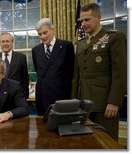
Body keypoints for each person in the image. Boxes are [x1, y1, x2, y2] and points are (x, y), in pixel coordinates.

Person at [71, 3, 127, 141]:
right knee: (85, 142)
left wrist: (114, 102)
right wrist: (74, 102)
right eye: (81, 20)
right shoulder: (81, 43)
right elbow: (76, 77)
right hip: (82, 104)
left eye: (87, 20)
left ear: (98, 17)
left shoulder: (114, 37)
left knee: (107, 142)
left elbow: (120, 73)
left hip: (104, 104)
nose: (83, 24)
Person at [32, 18, 75, 116]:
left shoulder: (66, 46)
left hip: (61, 98)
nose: (42, 36)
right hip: (43, 97)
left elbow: (71, 72)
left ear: (52, 29)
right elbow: (39, 72)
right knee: (42, 129)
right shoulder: (35, 50)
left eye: (45, 32)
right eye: (39, 34)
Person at [0, 32, 29, 98]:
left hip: (17, 96)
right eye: (3, 41)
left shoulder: (21, 57)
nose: (5, 44)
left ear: (12, 42)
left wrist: (24, 96)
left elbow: (25, 79)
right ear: (0, 43)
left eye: (7, 41)